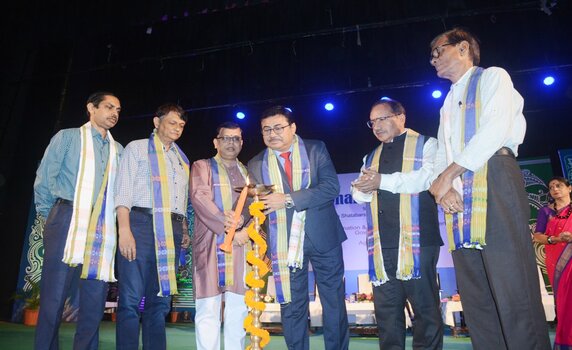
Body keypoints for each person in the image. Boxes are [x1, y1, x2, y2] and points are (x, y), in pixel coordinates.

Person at [428, 27, 550, 350]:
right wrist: (446, 187)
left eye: (438, 50)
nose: (433, 59)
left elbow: (495, 129)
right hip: (460, 194)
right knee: (476, 295)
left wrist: (450, 173)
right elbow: (444, 151)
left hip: (495, 176)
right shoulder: (446, 103)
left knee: (513, 287)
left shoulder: (494, 77)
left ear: (464, 47)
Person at [248, 106, 349, 350]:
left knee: (333, 303)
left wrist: (288, 199)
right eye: (266, 129)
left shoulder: (316, 149)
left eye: (278, 127)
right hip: (283, 244)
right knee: (291, 306)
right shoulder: (255, 163)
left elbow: (330, 188)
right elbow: (256, 206)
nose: (272, 134)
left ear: (293, 128)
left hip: (323, 237)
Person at [351, 98, 443, 350]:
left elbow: (427, 179)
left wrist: (381, 181)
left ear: (401, 117)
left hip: (419, 242)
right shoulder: (370, 156)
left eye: (382, 119)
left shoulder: (428, 144)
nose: (376, 126)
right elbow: (360, 195)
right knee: (387, 314)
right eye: (372, 122)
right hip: (383, 246)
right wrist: (361, 188)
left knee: (425, 311)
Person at [33, 91, 123, 350]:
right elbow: (45, 179)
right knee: (54, 298)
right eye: (108, 107)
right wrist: (50, 216)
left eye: (118, 109)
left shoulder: (118, 149)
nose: (114, 113)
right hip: (66, 218)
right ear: (91, 108)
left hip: (103, 225)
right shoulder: (69, 137)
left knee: (94, 300)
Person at [114, 103, 191, 350]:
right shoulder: (136, 148)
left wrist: (185, 230)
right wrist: (124, 231)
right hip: (140, 226)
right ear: (156, 122)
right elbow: (123, 192)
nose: (177, 128)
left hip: (173, 230)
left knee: (160, 301)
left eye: (181, 125)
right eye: (172, 123)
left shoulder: (182, 158)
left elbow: (182, 199)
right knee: (131, 300)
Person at [190, 122, 250, 350]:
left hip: (240, 247)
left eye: (236, 139)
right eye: (226, 138)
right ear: (216, 142)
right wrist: (229, 230)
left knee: (239, 308)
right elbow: (200, 198)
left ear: (242, 143)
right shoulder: (202, 166)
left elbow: (252, 207)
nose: (231, 143)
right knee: (208, 308)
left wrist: (241, 228)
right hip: (210, 245)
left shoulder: (247, 173)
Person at [533, 176, 572, 348]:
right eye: (551, 187)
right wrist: (555, 239)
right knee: (564, 301)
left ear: (569, 188)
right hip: (557, 261)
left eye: (559, 185)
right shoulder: (546, 212)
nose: (555, 189)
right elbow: (538, 236)